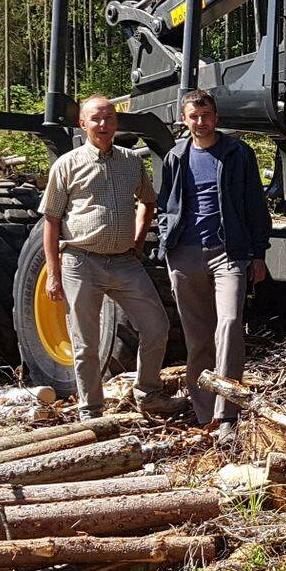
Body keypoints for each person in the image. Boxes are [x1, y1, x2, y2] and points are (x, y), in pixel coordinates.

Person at [40, 94, 173, 418]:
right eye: (96, 119)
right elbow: (52, 221)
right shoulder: (67, 165)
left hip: (125, 262)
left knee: (157, 326)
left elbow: (148, 200)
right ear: (82, 123)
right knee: (85, 343)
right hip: (81, 262)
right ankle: (91, 411)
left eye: (109, 118)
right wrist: (54, 274)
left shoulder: (130, 161)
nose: (103, 124)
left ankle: (148, 394)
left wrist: (139, 239)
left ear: (116, 123)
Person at [156, 88, 273, 449]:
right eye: (194, 116)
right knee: (198, 338)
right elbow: (167, 205)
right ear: (184, 119)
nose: (201, 122)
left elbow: (255, 204)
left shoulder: (237, 153)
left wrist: (258, 253)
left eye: (206, 116)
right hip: (186, 254)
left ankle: (227, 415)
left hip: (229, 253)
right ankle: (203, 412)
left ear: (216, 117)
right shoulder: (176, 156)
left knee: (230, 325)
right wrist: (166, 241)